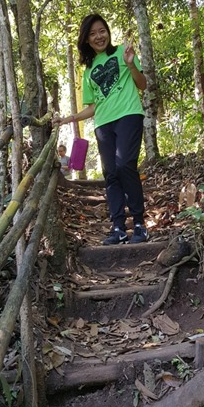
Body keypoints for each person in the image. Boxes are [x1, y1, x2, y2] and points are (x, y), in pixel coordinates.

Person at [54, 13, 148, 245]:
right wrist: (70, 118)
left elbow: (142, 84)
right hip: (104, 124)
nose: (99, 36)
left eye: (102, 31)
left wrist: (130, 64)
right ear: (86, 39)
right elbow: (94, 106)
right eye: (93, 33)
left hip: (129, 115)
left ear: (108, 31)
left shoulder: (123, 53)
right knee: (111, 174)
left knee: (125, 164)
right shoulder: (88, 71)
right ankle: (117, 228)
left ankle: (139, 223)